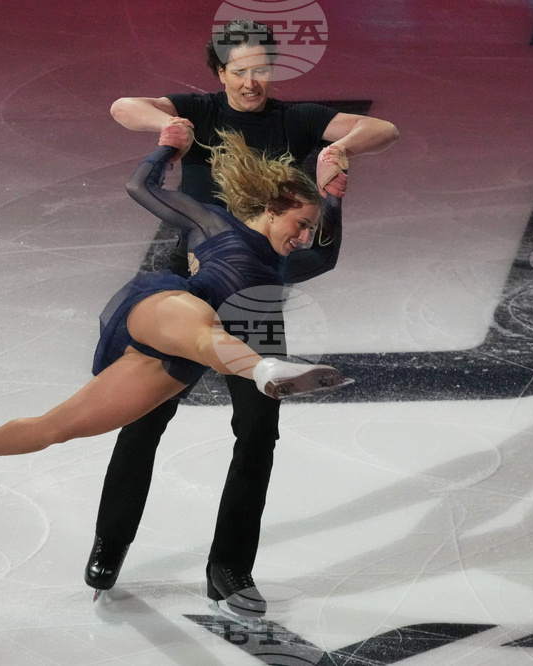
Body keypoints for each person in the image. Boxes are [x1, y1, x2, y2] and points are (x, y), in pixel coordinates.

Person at [94, 19, 398, 618]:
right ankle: (111, 544)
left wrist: (342, 150)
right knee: (143, 414)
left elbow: (382, 128)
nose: (253, 83)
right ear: (220, 72)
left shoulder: (297, 119)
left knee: (257, 429)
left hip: (253, 291)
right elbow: (122, 106)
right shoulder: (199, 111)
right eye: (241, 72)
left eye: (263, 70)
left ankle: (230, 568)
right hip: (182, 281)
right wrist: (165, 126)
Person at [0, 127, 350, 489]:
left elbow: (325, 258)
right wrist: (168, 148)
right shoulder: (214, 224)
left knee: (57, 428)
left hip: (176, 358)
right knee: (203, 328)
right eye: (301, 223)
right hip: (165, 307)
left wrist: (333, 199)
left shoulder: (282, 266)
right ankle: (266, 370)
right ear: (272, 207)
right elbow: (140, 186)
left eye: (311, 228)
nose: (306, 236)